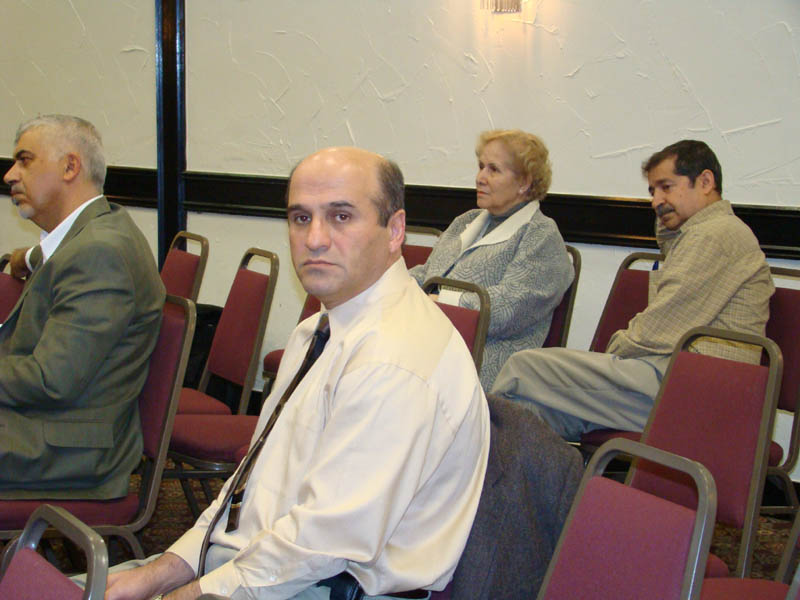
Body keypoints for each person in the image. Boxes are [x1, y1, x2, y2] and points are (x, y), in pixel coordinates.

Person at [103, 147, 490, 600]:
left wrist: (182, 596)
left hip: (328, 587)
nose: (315, 239)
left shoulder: (395, 360)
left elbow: (321, 546)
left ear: (395, 230)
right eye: (301, 218)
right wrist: (161, 573)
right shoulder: (319, 330)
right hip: (263, 567)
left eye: (341, 216)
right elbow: (248, 488)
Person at [491, 139, 775, 441]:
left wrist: (613, 351)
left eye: (666, 187)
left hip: (701, 390)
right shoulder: (699, 234)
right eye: (653, 191)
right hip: (676, 377)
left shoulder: (717, 234)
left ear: (705, 182)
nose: (656, 201)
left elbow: (659, 329)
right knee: (528, 411)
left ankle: (479, 460)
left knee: (523, 367)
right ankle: (550, 471)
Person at [0, 114, 165, 498]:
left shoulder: (99, 253)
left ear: (70, 167)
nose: (10, 175)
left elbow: (50, 380)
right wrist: (28, 258)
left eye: (24, 160)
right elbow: (55, 259)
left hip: (66, 446)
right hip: (50, 424)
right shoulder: (97, 229)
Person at [409, 129, 573, 389]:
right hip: (429, 345)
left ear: (524, 182)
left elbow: (506, 309)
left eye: (493, 170)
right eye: (481, 167)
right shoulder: (466, 220)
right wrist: (391, 285)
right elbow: (428, 273)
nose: (480, 178)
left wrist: (440, 301)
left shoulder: (541, 236)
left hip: (481, 369)